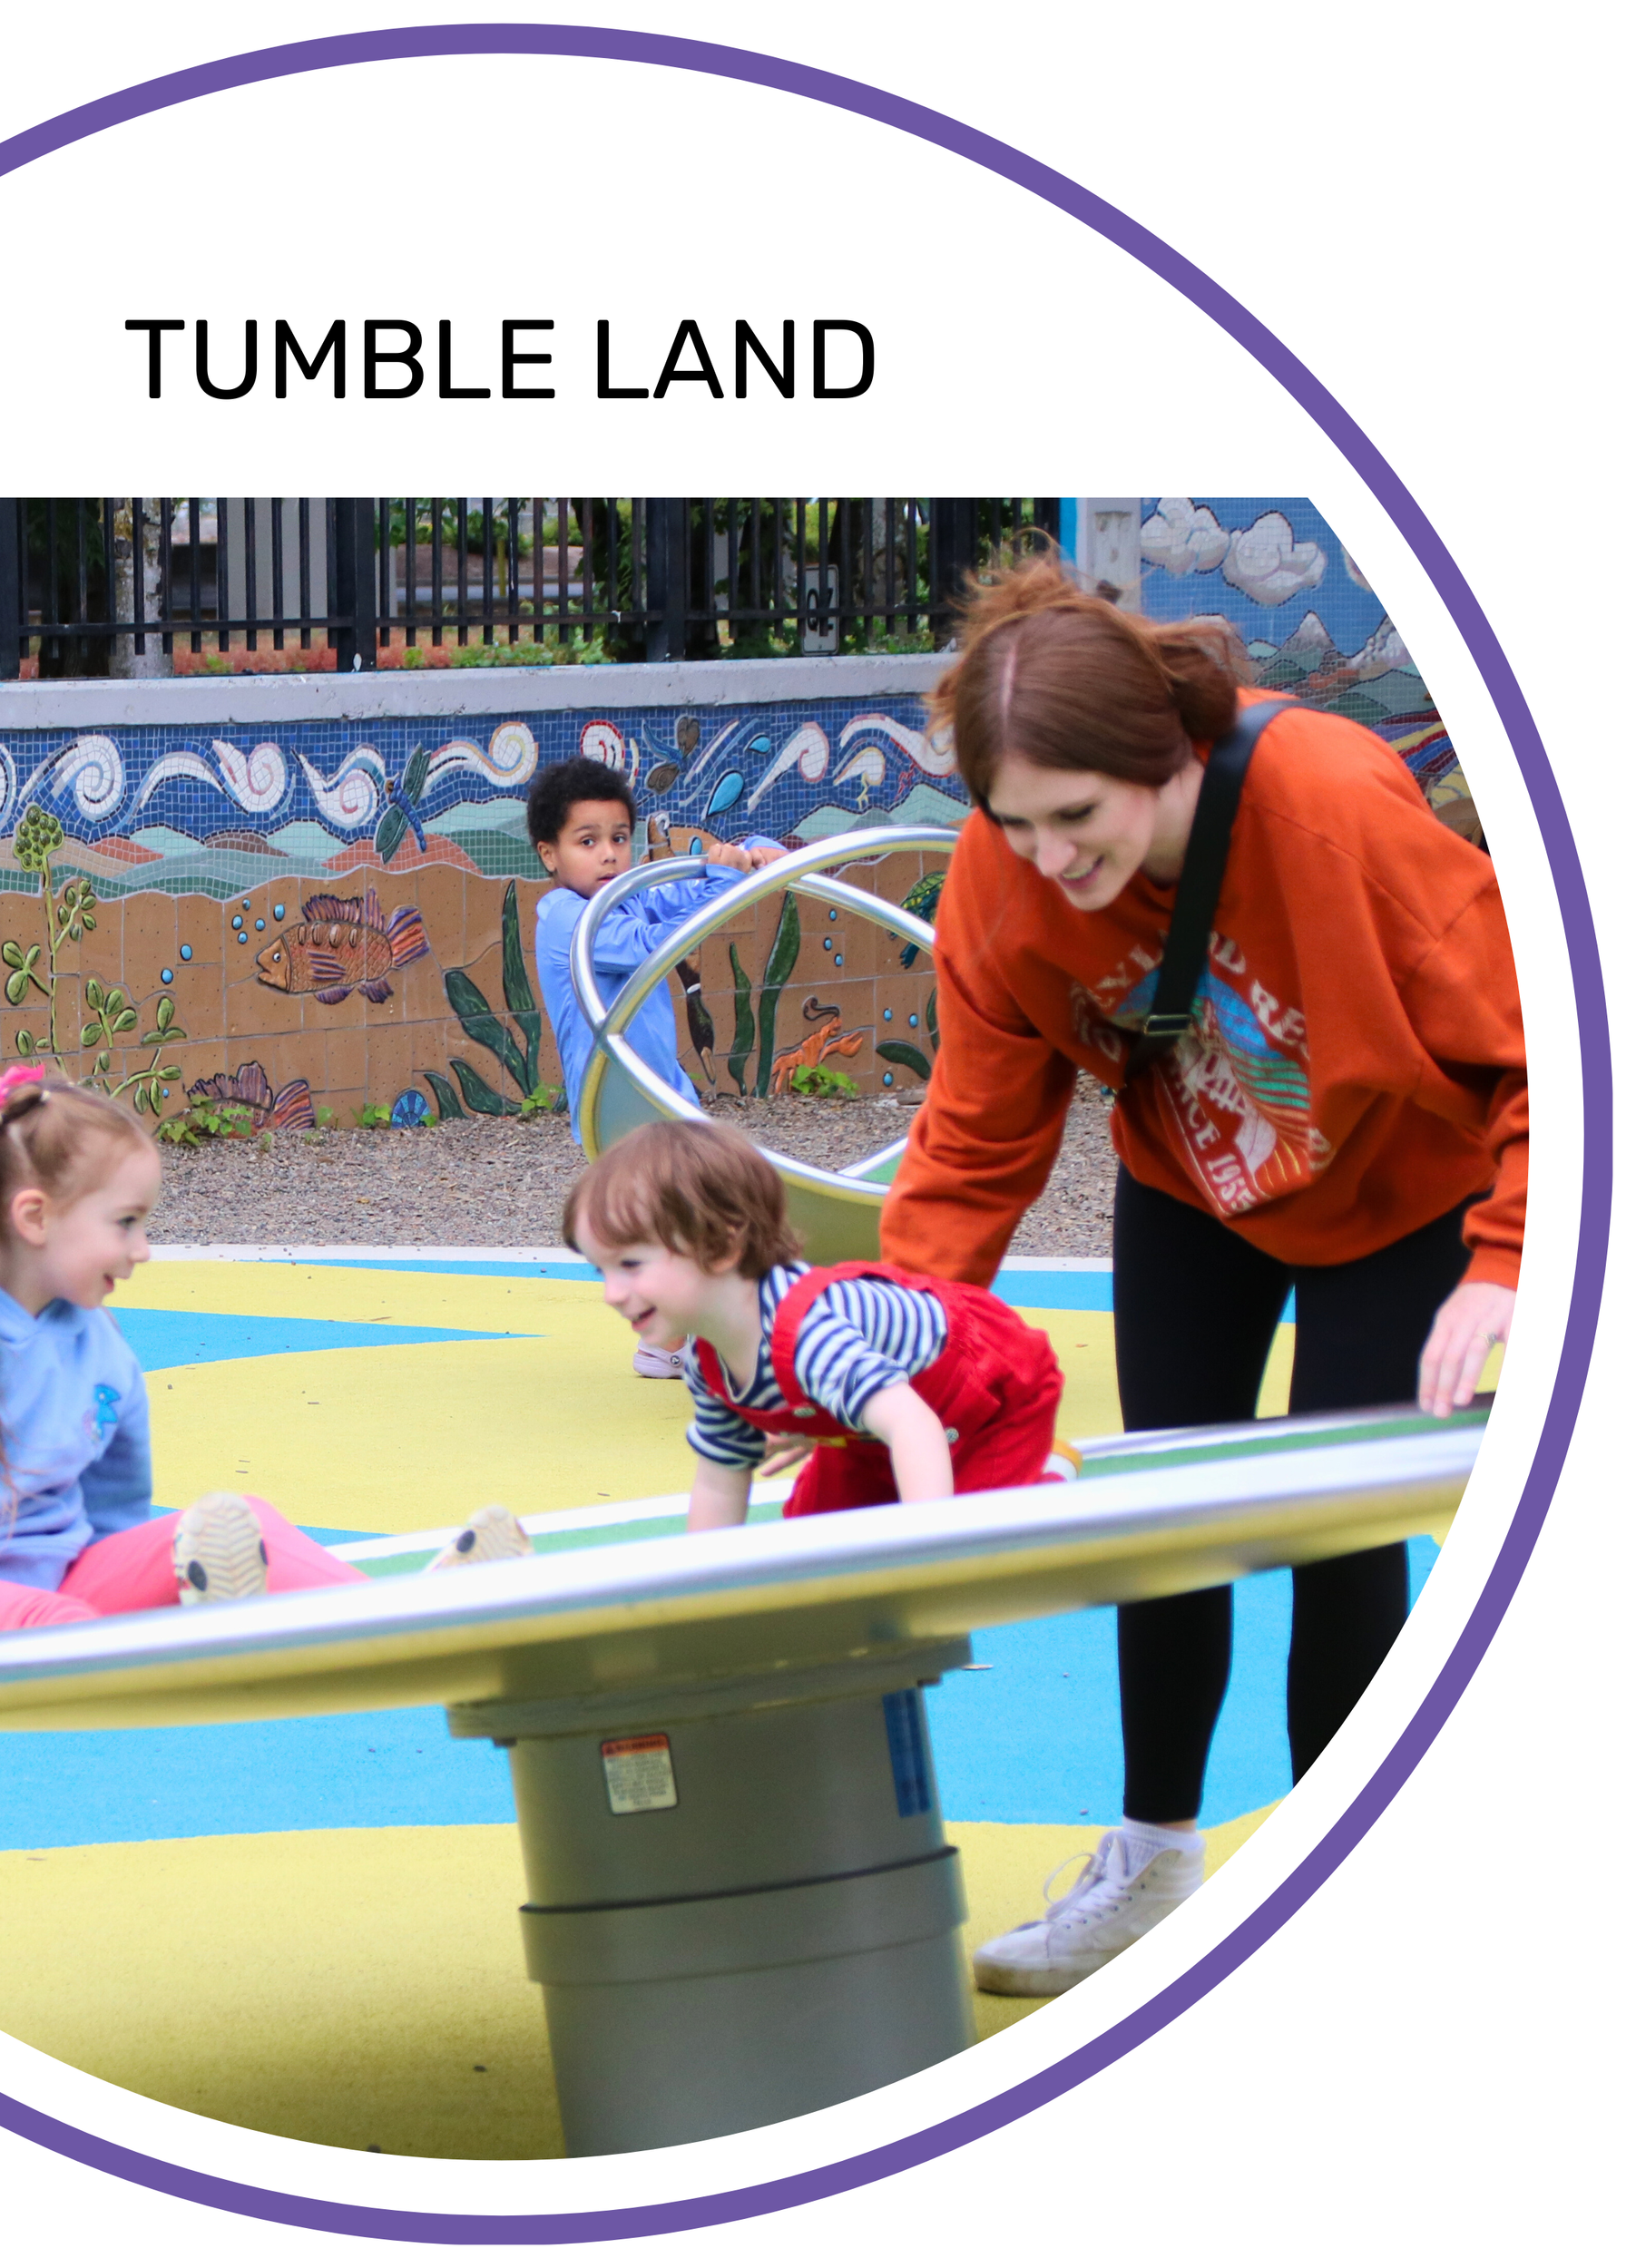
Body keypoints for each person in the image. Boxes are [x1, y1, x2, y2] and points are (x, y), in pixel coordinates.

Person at [877, 552, 1524, 1996]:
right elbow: (976, 1133)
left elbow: (1547, 1046)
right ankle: (1155, 1861)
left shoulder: (1337, 809)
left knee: (1327, 1528)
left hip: (1405, 1193)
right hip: (1196, 1184)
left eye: (1077, 819)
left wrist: (1505, 1260)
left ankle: (1333, 1880)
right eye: (1013, 820)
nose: (1047, 857)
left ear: (1164, 759)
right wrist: (886, 1336)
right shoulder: (1009, 869)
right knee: (1167, 1502)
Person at [0, 1066, 399, 1656]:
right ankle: (118, 1653)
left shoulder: (99, 1345)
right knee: (55, 1626)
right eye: (125, 1223)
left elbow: (118, 1504)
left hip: (65, 1578)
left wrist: (142, 1587)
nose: (143, 1250)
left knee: (240, 1523)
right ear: (36, 1218)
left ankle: (408, 1617)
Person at [565, 1119, 1074, 1526]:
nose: (612, 1294)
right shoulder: (707, 1362)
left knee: (974, 1543)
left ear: (720, 1245)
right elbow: (721, 1481)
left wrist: (925, 1553)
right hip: (874, 1422)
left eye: (630, 1265)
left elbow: (913, 1425)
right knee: (812, 1541)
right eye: (602, 1269)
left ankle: (1046, 1485)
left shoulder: (810, 1336)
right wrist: (703, 1598)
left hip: (987, 1389)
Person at [528, 754, 780, 1381]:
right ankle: (681, 1339)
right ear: (550, 855)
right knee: (690, 1219)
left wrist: (749, 854)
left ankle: (681, 1338)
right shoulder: (564, 917)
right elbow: (650, 945)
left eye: (619, 838)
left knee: (699, 1219)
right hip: (617, 1105)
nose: (609, 855)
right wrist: (723, 884)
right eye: (587, 842)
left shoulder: (627, 898)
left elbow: (684, 891)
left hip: (661, 1096)